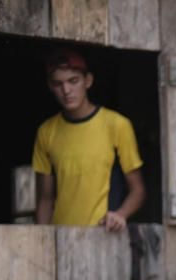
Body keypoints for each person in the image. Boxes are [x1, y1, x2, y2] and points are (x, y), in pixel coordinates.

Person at [33, 49, 145, 232]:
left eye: (73, 81)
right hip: (61, 238)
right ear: (49, 86)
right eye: (58, 84)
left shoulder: (117, 125)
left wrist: (120, 215)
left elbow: (138, 190)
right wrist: (43, 240)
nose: (66, 90)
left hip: (101, 236)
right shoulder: (46, 132)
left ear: (88, 80)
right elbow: (45, 200)